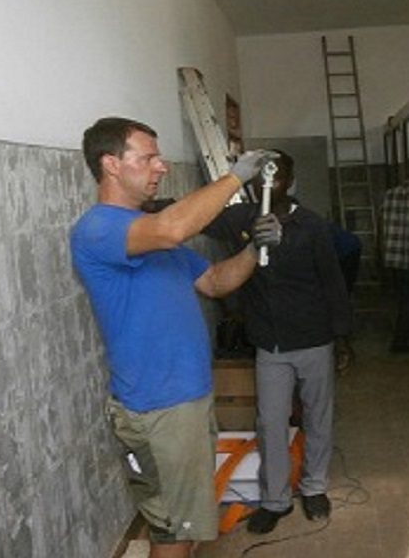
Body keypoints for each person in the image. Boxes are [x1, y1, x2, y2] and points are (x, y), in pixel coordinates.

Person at [70, 117, 281, 558]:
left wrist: (252, 248)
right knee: (174, 531)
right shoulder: (98, 228)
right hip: (157, 406)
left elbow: (217, 282)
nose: (160, 167)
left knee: (182, 523)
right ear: (110, 164)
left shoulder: (154, 241)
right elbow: (171, 227)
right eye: (147, 158)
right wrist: (234, 177)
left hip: (188, 399)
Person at [204, 150, 353, 534]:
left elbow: (333, 282)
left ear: (291, 180)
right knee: (270, 421)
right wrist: (156, 208)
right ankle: (275, 499)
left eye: (278, 176)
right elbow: (201, 217)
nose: (269, 184)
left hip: (314, 337)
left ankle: (315, 487)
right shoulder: (243, 219)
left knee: (317, 416)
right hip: (269, 343)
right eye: (261, 176)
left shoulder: (311, 226)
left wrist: (342, 337)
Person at [381, 162, 409, 352]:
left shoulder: (390, 194)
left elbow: (381, 225)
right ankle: (400, 342)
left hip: (394, 257)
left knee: (405, 298)